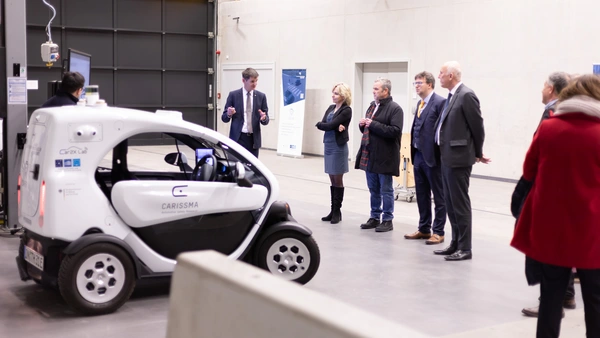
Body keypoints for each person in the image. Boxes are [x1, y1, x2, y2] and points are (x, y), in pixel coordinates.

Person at [511, 74, 600, 338]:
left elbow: (529, 170)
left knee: (550, 299)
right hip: (593, 230)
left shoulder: (549, 128)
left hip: (553, 228)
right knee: (596, 300)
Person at [521, 72, 576, 318]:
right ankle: (566, 295)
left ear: (552, 89)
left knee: (548, 246)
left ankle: (552, 301)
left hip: (551, 189)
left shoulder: (554, 114)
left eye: (544, 85)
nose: (541, 89)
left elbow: (543, 152)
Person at [433, 61, 489, 261]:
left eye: (441, 73)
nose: (438, 76)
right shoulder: (451, 96)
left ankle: (465, 248)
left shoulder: (466, 95)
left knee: (459, 204)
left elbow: (477, 127)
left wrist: (478, 152)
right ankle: (455, 243)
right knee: (450, 202)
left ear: (451, 76)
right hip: (446, 156)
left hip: (459, 157)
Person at [404, 71, 447, 245]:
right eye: (415, 83)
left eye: (419, 83)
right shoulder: (420, 104)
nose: (416, 86)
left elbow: (442, 131)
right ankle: (424, 228)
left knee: (439, 196)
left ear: (430, 84)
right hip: (418, 155)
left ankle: (438, 231)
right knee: (421, 194)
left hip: (433, 158)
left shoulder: (440, 102)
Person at [355, 78, 403, 233]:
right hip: (370, 154)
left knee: (386, 189)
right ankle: (374, 216)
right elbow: (369, 130)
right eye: (373, 88)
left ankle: (387, 219)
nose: (373, 91)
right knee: (373, 188)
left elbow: (395, 131)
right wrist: (362, 125)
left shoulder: (395, 109)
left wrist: (372, 124)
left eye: (376, 89)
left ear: (385, 91)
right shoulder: (372, 106)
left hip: (385, 156)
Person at [316, 83, 352, 224]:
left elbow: (327, 125)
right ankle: (333, 210)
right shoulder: (331, 108)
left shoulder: (346, 110)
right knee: (331, 178)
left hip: (338, 147)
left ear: (343, 95)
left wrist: (327, 125)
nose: (333, 95)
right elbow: (325, 123)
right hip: (329, 145)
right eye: (333, 92)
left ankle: (337, 211)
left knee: (338, 179)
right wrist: (334, 126)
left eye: (336, 93)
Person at [221, 68, 269, 157]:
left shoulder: (261, 96)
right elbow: (224, 118)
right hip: (238, 138)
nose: (255, 84)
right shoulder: (233, 95)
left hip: (253, 140)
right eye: (252, 81)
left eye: (256, 81)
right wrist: (229, 114)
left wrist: (264, 118)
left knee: (252, 168)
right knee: (236, 166)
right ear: (244, 80)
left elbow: (266, 119)